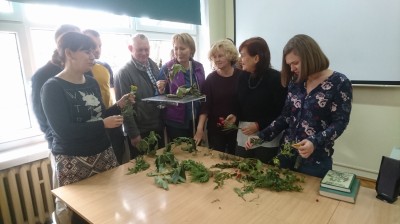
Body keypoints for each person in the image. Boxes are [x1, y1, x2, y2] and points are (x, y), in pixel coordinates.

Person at [41, 32, 133, 223]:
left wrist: (118, 106)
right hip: (74, 162)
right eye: (86, 52)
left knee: (109, 207)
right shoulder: (52, 87)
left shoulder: (91, 82)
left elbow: (99, 116)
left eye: (93, 51)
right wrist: (102, 124)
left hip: (103, 155)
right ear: (69, 53)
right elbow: (63, 131)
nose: (93, 56)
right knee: (82, 215)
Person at [245, 34, 352, 178]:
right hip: (286, 154)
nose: (292, 68)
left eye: (295, 63)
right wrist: (261, 136)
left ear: (310, 57)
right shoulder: (296, 82)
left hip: (315, 160)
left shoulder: (340, 82)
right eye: (289, 65)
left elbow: (340, 123)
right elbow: (285, 117)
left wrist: (314, 142)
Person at [31, 24, 80, 224]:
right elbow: (40, 113)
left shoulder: (82, 70)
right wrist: (54, 139)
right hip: (61, 146)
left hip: (83, 144)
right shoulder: (43, 75)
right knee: (65, 199)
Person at [225, 37, 287, 164]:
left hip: (267, 134)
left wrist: (259, 125)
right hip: (244, 132)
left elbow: (280, 111)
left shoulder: (276, 78)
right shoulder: (242, 76)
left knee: (264, 173)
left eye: (243, 55)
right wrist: (235, 116)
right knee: (241, 170)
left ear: (256, 58)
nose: (240, 60)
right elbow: (238, 101)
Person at [114, 34, 164, 159]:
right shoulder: (123, 73)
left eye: (146, 49)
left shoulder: (154, 66)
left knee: (161, 164)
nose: (144, 53)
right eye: (140, 50)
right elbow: (125, 108)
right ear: (130, 48)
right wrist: (134, 134)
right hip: (140, 130)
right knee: (143, 169)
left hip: (157, 125)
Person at [83, 29, 126, 164]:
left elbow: (111, 93)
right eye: (92, 46)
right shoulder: (81, 72)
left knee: (118, 159)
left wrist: (119, 104)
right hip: (95, 127)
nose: (96, 50)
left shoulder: (105, 66)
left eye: (99, 45)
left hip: (112, 119)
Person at [193, 39, 240, 154]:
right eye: (214, 57)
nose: (217, 59)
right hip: (215, 129)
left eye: (220, 56)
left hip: (236, 128)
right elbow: (205, 107)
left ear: (230, 56)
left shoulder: (241, 76)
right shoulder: (211, 79)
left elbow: (245, 103)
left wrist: (236, 115)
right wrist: (200, 129)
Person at [157, 33, 205, 141]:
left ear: (191, 50)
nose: (178, 52)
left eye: (182, 49)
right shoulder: (167, 68)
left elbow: (203, 92)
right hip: (175, 122)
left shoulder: (198, 67)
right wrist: (161, 89)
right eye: (176, 48)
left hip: (195, 118)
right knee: (181, 152)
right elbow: (159, 96)